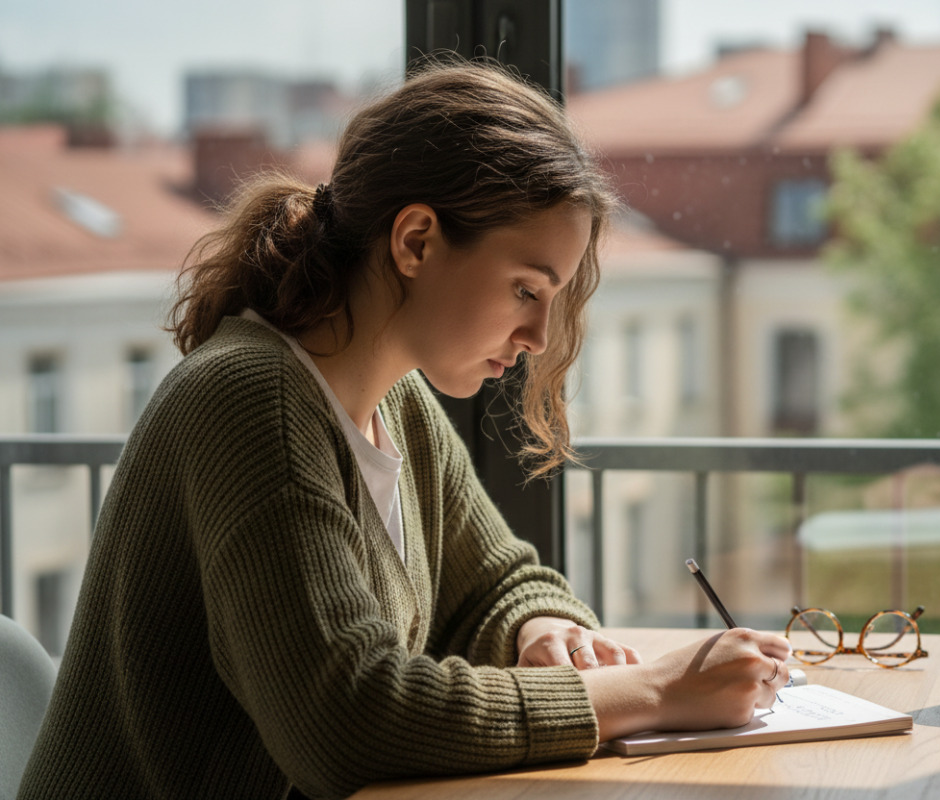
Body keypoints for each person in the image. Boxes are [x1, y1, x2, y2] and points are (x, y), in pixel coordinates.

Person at [17, 59, 791, 800]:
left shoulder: (399, 404)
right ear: (415, 240)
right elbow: (346, 718)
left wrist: (541, 628)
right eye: (526, 288)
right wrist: (653, 690)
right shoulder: (254, 403)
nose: (539, 337)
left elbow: (496, 584)